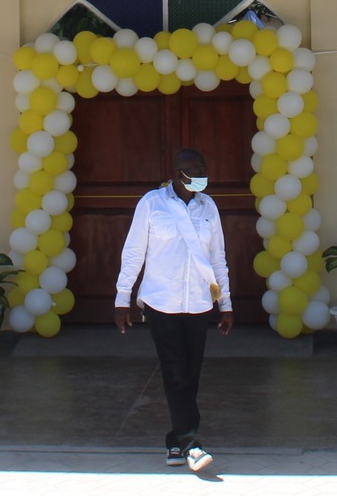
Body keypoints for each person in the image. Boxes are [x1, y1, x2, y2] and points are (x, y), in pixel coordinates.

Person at [115, 147, 232, 472]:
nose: (201, 172)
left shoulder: (208, 207)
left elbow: (218, 258)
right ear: (178, 171)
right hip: (160, 303)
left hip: (198, 303)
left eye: (204, 166)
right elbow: (134, 251)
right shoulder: (152, 203)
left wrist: (226, 304)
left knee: (190, 374)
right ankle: (192, 444)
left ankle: (175, 441)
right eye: (194, 167)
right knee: (175, 370)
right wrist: (121, 298)